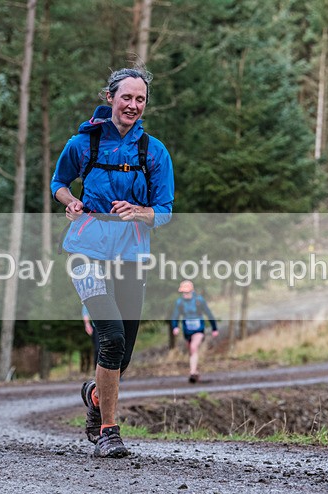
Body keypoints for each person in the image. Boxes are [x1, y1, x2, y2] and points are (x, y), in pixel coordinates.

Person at [51, 67, 175, 458]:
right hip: (85, 249)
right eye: (127, 97)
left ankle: (94, 395)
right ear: (110, 98)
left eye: (140, 99)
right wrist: (71, 201)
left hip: (131, 253)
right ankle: (108, 431)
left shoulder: (154, 152)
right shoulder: (82, 143)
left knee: (124, 354)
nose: (133, 105)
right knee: (111, 336)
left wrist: (140, 211)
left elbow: (165, 210)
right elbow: (58, 183)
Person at [170, 280, 218, 383]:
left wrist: (214, 328)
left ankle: (192, 372)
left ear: (192, 291)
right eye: (183, 292)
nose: (185, 294)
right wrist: (175, 327)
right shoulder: (180, 302)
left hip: (198, 329)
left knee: (193, 347)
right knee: (192, 351)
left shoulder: (199, 301)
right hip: (187, 331)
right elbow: (175, 316)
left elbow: (208, 313)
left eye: (187, 292)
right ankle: (195, 372)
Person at [81, 304, 98, 372]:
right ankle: (96, 371)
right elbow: (85, 311)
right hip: (97, 327)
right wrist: (87, 324)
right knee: (98, 349)